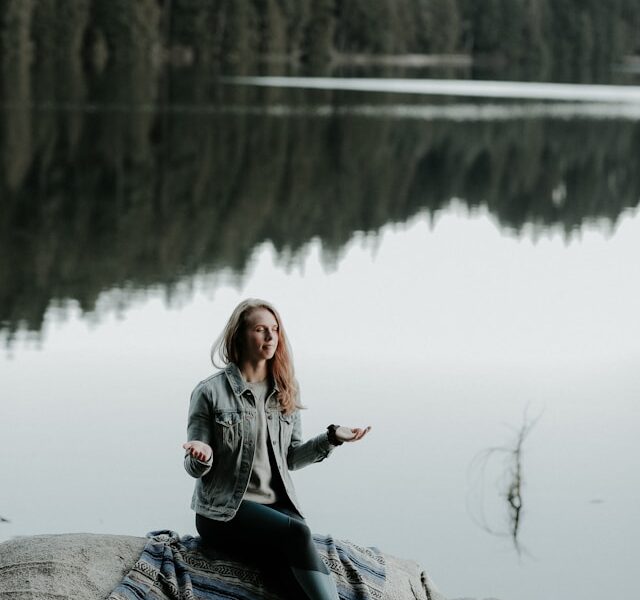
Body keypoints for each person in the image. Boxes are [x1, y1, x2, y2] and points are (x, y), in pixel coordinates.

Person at [182, 298, 371, 600]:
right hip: (224, 513)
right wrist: (201, 457)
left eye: (275, 330)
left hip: (273, 507)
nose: (270, 337)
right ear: (240, 335)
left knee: (287, 565)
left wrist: (332, 437)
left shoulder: (285, 388)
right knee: (297, 534)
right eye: (260, 329)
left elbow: (292, 458)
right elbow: (193, 465)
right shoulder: (210, 391)